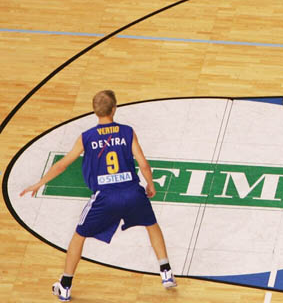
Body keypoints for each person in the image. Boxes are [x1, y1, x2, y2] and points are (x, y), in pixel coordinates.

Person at [20, 90, 176, 302]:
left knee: (79, 236)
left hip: (105, 197)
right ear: (114, 109)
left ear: (95, 111)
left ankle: (65, 285)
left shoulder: (86, 137)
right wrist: (150, 183)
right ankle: (166, 272)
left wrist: (39, 183)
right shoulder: (128, 132)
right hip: (132, 191)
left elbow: (63, 164)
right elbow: (143, 164)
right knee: (151, 224)